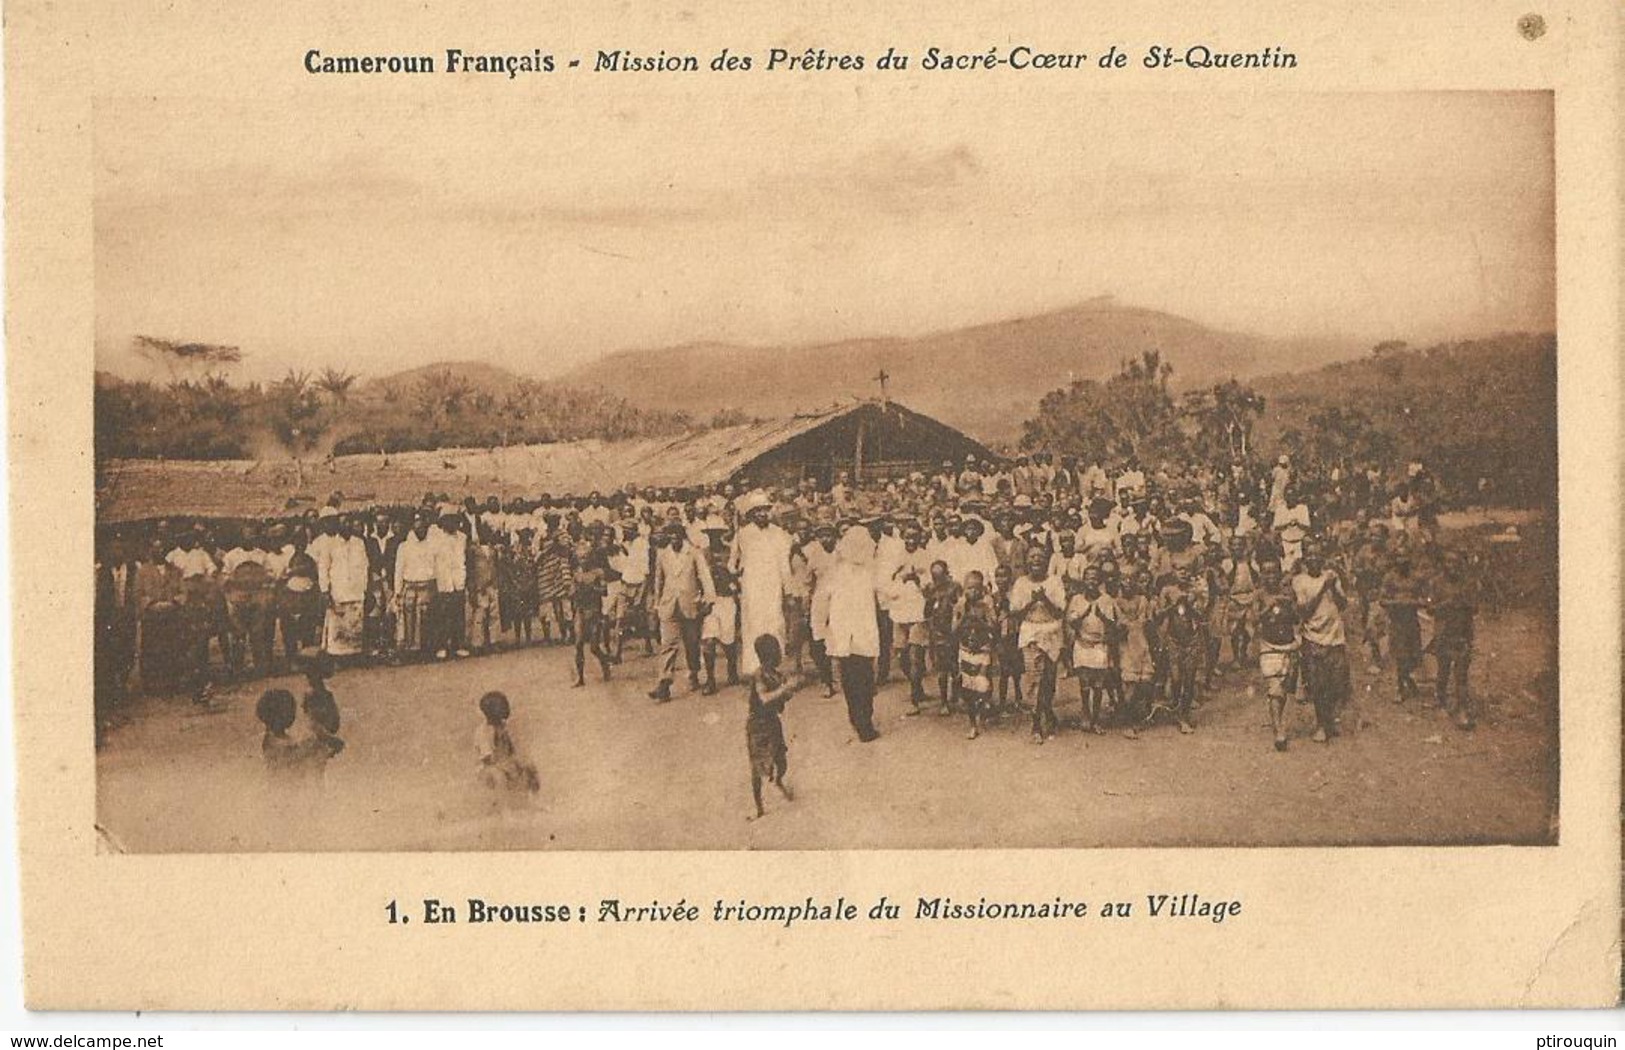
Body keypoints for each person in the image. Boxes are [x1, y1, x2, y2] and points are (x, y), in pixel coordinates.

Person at [826, 524, 882, 742]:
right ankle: (862, 722)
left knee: (857, 680)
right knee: (860, 680)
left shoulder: (865, 571)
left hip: (855, 635)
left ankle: (860, 720)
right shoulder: (845, 571)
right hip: (852, 635)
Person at [648, 522, 715, 702]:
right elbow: (658, 581)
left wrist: (709, 599)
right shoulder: (663, 554)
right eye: (670, 538)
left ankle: (693, 672)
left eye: (677, 537)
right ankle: (664, 683)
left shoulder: (693, 552)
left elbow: (704, 576)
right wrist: (656, 604)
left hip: (690, 604)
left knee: (692, 644)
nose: (674, 541)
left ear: (683, 537)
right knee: (668, 644)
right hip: (669, 605)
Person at [1292, 541, 1351, 743]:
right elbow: (1304, 611)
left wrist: (1333, 586)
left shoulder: (1331, 578)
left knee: (1337, 683)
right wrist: (1322, 588)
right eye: (1310, 555)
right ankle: (1320, 723)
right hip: (1313, 637)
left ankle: (1329, 720)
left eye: (1318, 555)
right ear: (1305, 559)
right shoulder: (1300, 581)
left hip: (1335, 637)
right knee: (1318, 684)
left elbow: (1343, 605)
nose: (1314, 559)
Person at [729, 491, 792, 677]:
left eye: (765, 510)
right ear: (751, 514)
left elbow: (784, 564)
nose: (762, 514)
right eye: (757, 511)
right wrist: (737, 573)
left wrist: (787, 589)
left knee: (775, 623)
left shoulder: (779, 534)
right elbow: (732, 563)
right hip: (752, 586)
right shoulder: (743, 534)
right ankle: (754, 669)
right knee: (753, 624)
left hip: (773, 585)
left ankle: (774, 668)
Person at [1010, 548, 1066, 744]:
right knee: (1035, 678)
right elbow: (1016, 613)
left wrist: (1045, 600)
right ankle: (1036, 723)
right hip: (1031, 633)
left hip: (1051, 632)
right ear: (1026, 561)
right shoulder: (1021, 583)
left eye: (1040, 557)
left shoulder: (1054, 581)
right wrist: (1032, 602)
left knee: (1049, 679)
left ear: (1046, 561)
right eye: (1032, 557)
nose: (1036, 560)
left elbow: (1060, 611)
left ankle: (1047, 712)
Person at [744, 634, 796, 820]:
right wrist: (784, 689)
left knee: (781, 758)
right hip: (757, 725)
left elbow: (782, 698)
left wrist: (789, 691)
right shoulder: (759, 675)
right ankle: (758, 806)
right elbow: (764, 698)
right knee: (757, 767)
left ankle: (779, 781)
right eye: (777, 651)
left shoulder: (776, 674)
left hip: (773, 722)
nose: (780, 655)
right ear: (769, 655)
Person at [1254, 560, 1301, 751]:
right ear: (1262, 576)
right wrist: (1269, 606)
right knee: (1275, 687)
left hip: (1288, 646)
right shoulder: (1260, 595)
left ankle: (1278, 720)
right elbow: (1254, 618)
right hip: (1269, 646)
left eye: (1274, 573)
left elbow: (1297, 618)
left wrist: (1289, 604)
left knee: (1284, 689)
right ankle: (1278, 729)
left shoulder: (1288, 594)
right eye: (1267, 573)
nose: (1271, 577)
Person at [1066, 566, 1118, 735]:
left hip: (1100, 645)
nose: (1091, 582)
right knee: (1084, 683)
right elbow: (1072, 623)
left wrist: (1101, 616)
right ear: (1083, 580)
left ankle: (1096, 719)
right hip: (1082, 644)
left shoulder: (1107, 600)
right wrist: (1083, 614)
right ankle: (1085, 713)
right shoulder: (1077, 599)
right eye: (1088, 578)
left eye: (1095, 578)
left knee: (1098, 685)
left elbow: (1112, 624)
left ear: (1100, 581)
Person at [1430, 551, 1478, 730]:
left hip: (1462, 632)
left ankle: (1462, 709)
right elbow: (1430, 608)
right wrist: (1447, 603)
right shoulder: (1436, 583)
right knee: (1443, 669)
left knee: (1461, 673)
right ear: (1443, 564)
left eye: (1455, 562)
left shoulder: (1468, 583)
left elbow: (1475, 608)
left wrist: (1463, 603)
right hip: (1443, 633)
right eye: (1448, 562)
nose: (1452, 566)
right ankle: (1441, 701)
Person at [314, 516, 372, 662]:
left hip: (356, 590)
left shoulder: (359, 543)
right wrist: (325, 590)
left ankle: (353, 657)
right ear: (338, 526)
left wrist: (364, 587)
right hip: (338, 591)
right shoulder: (330, 544)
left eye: (348, 522)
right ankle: (337, 658)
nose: (346, 525)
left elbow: (365, 566)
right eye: (343, 523)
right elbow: (323, 568)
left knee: (354, 626)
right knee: (337, 628)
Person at [954, 571, 998, 739]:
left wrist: (979, 618)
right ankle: (973, 723)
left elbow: (994, 628)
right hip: (965, 650)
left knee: (982, 684)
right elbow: (954, 630)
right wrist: (965, 615)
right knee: (967, 688)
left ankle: (984, 703)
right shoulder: (960, 605)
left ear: (982, 590)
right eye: (969, 588)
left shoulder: (986, 605)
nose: (971, 591)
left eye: (975, 588)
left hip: (983, 650)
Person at [475, 691, 541, 804]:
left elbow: (512, 749)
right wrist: (506, 766)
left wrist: (521, 762)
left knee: (530, 767)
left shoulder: (505, 727)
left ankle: (533, 800)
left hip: (507, 762)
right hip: (489, 767)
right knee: (498, 776)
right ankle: (504, 809)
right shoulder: (482, 732)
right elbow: (487, 760)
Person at [1379, 557, 1426, 703]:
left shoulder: (1416, 578)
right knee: (1401, 656)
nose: (1403, 563)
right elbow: (1382, 600)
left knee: (1414, 656)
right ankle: (1400, 688)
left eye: (1406, 560)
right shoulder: (1390, 578)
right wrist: (1397, 602)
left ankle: (1407, 678)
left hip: (1412, 621)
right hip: (1397, 622)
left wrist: (1414, 602)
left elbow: (1425, 599)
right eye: (1399, 560)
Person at [921, 560, 963, 716]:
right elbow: (926, 614)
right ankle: (944, 701)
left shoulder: (955, 587)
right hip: (938, 634)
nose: (936, 580)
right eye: (934, 576)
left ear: (947, 574)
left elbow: (960, 608)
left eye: (940, 576)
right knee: (942, 670)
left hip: (954, 632)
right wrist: (928, 600)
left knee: (955, 667)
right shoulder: (931, 590)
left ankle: (956, 694)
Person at [700, 571, 741, 695]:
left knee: (728, 641)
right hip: (711, 603)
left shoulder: (729, 561)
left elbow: (737, 586)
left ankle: (732, 671)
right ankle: (710, 680)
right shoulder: (702, 559)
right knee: (709, 639)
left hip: (728, 603)